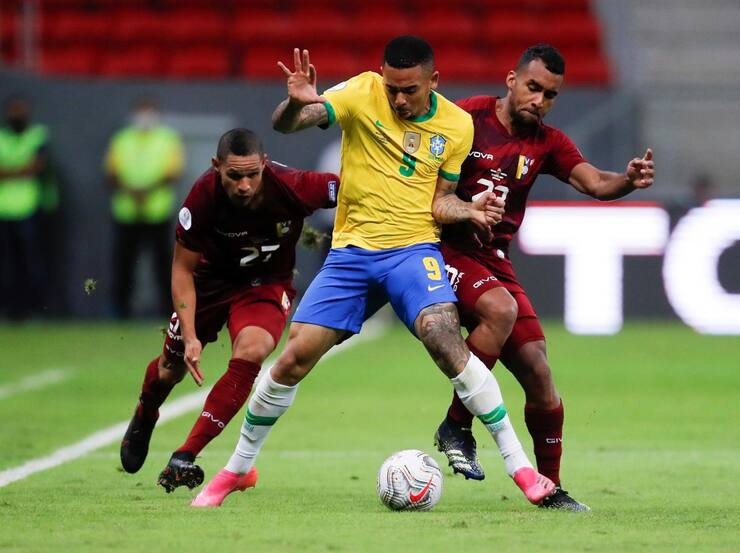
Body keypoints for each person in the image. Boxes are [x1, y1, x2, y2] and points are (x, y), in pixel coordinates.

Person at [193, 36, 555, 508]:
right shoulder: (362, 91)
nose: (399, 99)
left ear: (433, 81)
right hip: (351, 255)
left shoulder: (456, 125)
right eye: (392, 89)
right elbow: (289, 124)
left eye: (410, 90)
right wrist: (296, 103)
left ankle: (520, 466)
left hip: (413, 251)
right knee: (292, 359)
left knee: (445, 338)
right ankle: (237, 469)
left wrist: (467, 209)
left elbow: (441, 201)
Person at [432, 44, 655, 511]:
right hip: (443, 248)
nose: (539, 100)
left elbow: (595, 182)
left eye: (550, 94)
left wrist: (627, 180)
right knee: (501, 309)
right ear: (511, 80)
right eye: (533, 87)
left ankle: (550, 488)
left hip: (492, 260)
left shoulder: (547, 142)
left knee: (539, 371)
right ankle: (456, 424)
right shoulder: (464, 117)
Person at [118, 128, 340, 493]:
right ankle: (146, 412)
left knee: (253, 350)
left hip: (265, 284)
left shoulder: (293, 186)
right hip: (209, 283)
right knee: (169, 371)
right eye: (234, 175)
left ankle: (186, 454)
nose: (244, 185)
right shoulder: (202, 196)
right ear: (216, 166)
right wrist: (191, 336)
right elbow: (182, 270)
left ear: (265, 165)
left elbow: (355, 189)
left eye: (252, 174)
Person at [105, 97, 185, 318]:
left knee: (163, 264)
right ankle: (119, 311)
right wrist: (132, 191)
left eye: (148, 112)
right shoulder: (121, 139)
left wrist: (145, 191)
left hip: (157, 212)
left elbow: (174, 172)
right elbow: (111, 172)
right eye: (141, 112)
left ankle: (169, 311)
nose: (144, 117)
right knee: (124, 264)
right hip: (126, 212)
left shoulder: (167, 138)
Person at [0, 94, 50, 320]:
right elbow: (27, 167)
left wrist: (8, 171)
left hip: (29, 208)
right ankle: (8, 310)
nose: (17, 115)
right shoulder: (2, 137)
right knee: (6, 264)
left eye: (21, 110)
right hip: (3, 209)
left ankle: (35, 310)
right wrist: (21, 169)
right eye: (14, 110)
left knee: (31, 262)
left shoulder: (37, 135)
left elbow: (37, 166)